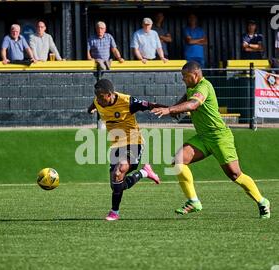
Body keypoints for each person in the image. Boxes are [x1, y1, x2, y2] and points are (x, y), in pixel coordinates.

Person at [151, 61, 270, 219]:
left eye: (185, 76)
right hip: (203, 137)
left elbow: (193, 104)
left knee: (235, 175)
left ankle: (262, 202)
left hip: (219, 136)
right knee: (178, 161)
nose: (183, 80)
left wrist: (169, 109)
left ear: (196, 75)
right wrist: (176, 107)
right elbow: (187, 96)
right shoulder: (192, 86)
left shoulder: (204, 86)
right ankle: (193, 201)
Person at [88, 78, 161, 221]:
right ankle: (144, 173)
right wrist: (91, 109)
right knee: (116, 185)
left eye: (101, 97)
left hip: (134, 142)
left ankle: (114, 212)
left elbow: (149, 105)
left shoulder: (127, 101)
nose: (98, 100)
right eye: (97, 97)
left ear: (110, 94)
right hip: (116, 145)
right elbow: (93, 105)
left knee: (119, 170)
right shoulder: (98, 101)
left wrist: (170, 110)